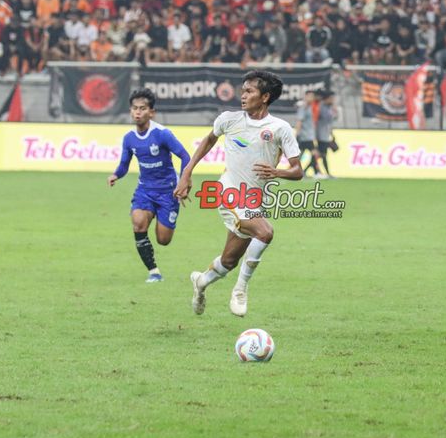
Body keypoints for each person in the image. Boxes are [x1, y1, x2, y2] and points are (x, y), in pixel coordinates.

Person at [174, 71, 303, 317]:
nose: (242, 96)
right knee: (265, 232)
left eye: (249, 91)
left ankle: (201, 282)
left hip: (255, 202)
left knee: (228, 262)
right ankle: (241, 290)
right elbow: (208, 141)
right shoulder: (229, 119)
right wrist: (187, 173)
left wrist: (277, 172)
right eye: (242, 90)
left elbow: (298, 171)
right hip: (228, 192)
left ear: (265, 97)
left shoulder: (280, 129)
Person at [108, 89, 191, 283]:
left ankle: (163, 217)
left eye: (142, 108)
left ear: (151, 112)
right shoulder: (129, 138)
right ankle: (154, 271)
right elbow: (124, 165)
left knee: (163, 239)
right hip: (144, 190)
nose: (137, 112)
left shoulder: (162, 134)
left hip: (167, 191)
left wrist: (184, 181)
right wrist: (115, 175)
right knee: (138, 222)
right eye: (134, 108)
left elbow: (185, 156)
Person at [294, 90, 323, 178]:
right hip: (305, 136)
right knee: (315, 154)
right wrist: (296, 135)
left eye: (312, 96)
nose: (311, 98)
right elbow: (299, 121)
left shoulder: (311, 107)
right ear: (305, 97)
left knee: (300, 155)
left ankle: (296, 171)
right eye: (309, 96)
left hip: (309, 135)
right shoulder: (304, 107)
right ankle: (317, 172)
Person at [315, 89, 337, 179]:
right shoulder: (322, 107)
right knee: (322, 155)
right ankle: (327, 173)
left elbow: (330, 122)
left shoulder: (328, 107)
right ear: (327, 98)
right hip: (320, 134)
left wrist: (331, 134)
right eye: (332, 98)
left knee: (320, 154)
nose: (333, 100)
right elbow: (326, 118)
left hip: (325, 135)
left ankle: (306, 170)